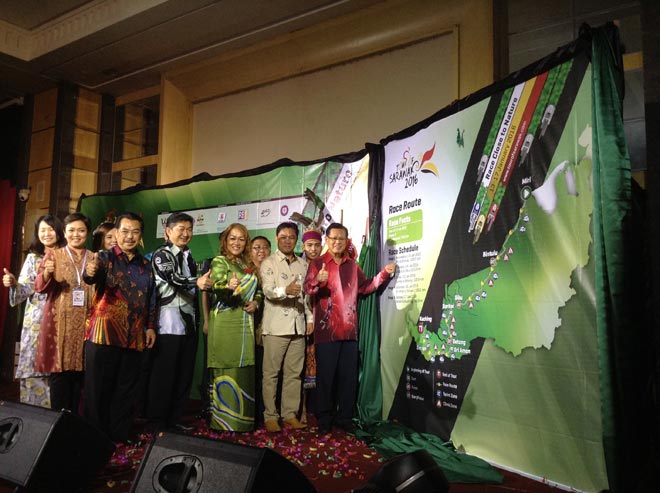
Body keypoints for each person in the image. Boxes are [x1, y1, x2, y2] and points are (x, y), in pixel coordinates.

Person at [304, 223, 396, 434]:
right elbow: (308, 289)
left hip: (350, 332)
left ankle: (345, 417)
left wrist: (384, 274)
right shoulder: (318, 263)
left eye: (341, 239)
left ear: (346, 241)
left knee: (348, 378)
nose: (337, 242)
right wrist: (318, 281)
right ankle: (324, 418)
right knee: (326, 379)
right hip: (326, 332)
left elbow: (366, 287)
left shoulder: (353, 266)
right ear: (326, 240)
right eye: (333, 238)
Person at [82, 212, 157, 443]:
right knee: (98, 390)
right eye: (125, 231)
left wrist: (151, 327)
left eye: (135, 232)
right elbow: (90, 276)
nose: (129, 236)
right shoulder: (104, 258)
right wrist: (90, 272)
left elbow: (151, 298)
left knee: (125, 390)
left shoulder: (146, 265)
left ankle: (120, 433)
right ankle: (96, 436)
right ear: (115, 233)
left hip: (134, 336)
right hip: (103, 334)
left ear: (141, 235)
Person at [146, 212, 212, 431]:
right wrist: (198, 281)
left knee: (184, 375)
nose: (185, 233)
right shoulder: (161, 254)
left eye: (189, 229)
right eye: (180, 229)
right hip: (168, 324)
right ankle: (157, 422)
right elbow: (174, 279)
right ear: (168, 231)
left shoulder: (189, 256)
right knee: (164, 376)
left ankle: (174, 420)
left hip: (188, 324)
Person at [2, 215, 65, 407]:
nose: (46, 233)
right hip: (36, 321)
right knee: (32, 369)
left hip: (60, 319)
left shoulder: (67, 256)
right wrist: (13, 283)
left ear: (60, 231)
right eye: (42, 230)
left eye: (51, 229)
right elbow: (23, 291)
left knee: (57, 371)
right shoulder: (32, 259)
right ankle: (32, 418)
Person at [34, 212, 94, 413]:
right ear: (65, 234)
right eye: (71, 231)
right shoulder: (54, 255)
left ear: (88, 233)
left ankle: (75, 427)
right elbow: (39, 287)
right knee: (60, 377)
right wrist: (47, 272)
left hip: (87, 326)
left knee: (81, 379)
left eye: (81, 230)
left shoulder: (95, 258)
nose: (76, 234)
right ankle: (56, 427)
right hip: (59, 325)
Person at [207, 223, 262, 431]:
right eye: (232, 238)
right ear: (225, 241)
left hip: (245, 324)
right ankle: (223, 422)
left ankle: (242, 423)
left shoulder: (247, 264)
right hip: (225, 322)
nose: (236, 243)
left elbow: (259, 291)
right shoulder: (220, 261)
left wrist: (256, 302)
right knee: (226, 365)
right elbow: (217, 287)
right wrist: (227, 287)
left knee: (244, 367)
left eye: (241, 239)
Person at [260, 222, 310, 432]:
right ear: (276, 239)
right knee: (271, 374)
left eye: (291, 237)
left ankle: (289, 414)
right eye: (283, 237)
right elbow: (268, 291)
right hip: (276, 327)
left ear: (297, 239)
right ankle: (270, 416)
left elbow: (307, 297)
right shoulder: (268, 263)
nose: (288, 240)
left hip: (298, 326)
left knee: (294, 374)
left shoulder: (303, 264)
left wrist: (310, 319)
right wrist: (285, 290)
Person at [300, 227, 323, 423]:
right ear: (303, 246)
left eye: (316, 245)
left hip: (322, 324)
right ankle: (302, 409)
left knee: (315, 368)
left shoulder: (325, 265)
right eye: (309, 245)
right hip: (302, 322)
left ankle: (315, 408)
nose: (313, 249)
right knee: (300, 368)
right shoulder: (300, 265)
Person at [249, 235, 271, 424]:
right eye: (256, 247)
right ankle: (251, 412)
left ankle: (265, 412)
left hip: (268, 330)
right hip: (247, 329)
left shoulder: (273, 270)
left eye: (265, 247)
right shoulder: (245, 271)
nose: (261, 251)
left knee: (267, 373)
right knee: (252, 373)